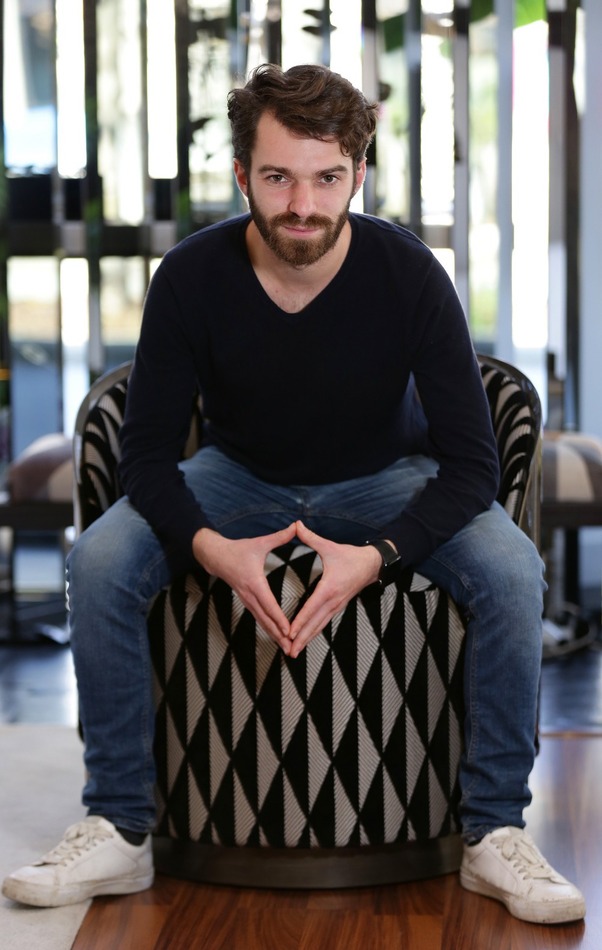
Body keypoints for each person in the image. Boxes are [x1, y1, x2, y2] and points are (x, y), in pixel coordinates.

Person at [2, 63, 585, 925]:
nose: (303, 205)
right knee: (99, 559)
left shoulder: (410, 274)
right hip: (236, 474)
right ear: (243, 175)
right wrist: (210, 548)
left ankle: (494, 831)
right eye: (278, 177)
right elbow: (147, 460)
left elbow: (472, 465)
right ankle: (120, 827)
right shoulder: (189, 276)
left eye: (326, 178)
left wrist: (378, 557)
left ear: (358, 174)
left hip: (386, 477)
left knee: (510, 568)